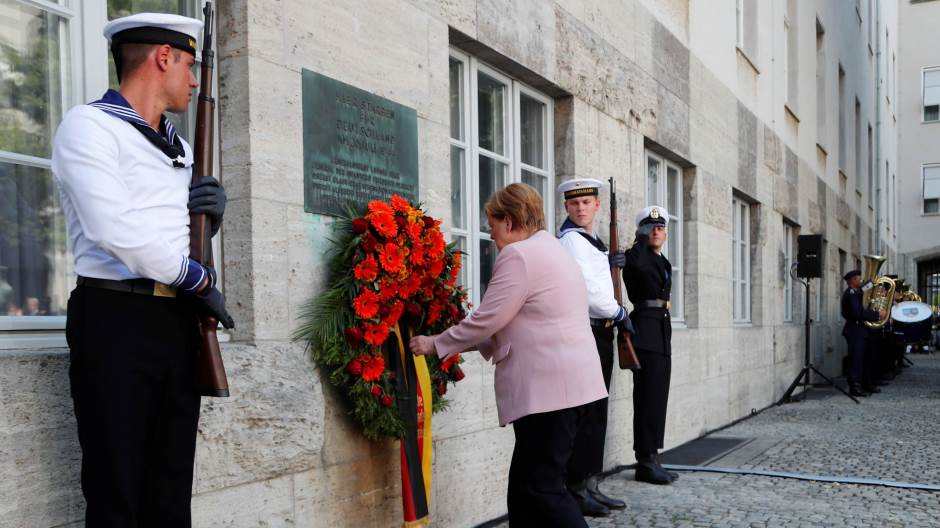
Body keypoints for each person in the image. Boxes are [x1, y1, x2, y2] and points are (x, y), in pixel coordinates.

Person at [51, 13, 234, 527]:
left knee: (171, 491)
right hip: (116, 319)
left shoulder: (176, 145)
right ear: (163, 57)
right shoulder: (89, 126)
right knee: (117, 492)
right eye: (190, 65)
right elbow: (115, 229)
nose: (195, 81)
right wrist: (196, 279)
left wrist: (207, 223)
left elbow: (172, 236)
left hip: (175, 323)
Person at [409, 183, 607, 527]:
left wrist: (434, 344)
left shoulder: (519, 256)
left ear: (511, 222)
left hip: (550, 393)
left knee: (543, 490)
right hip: (570, 389)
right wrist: (459, 341)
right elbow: (510, 322)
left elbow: (489, 319)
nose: (490, 234)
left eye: (493, 224)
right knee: (523, 491)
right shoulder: (553, 249)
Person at [555, 178, 632, 516]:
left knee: (597, 412)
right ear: (566, 207)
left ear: (597, 205)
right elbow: (586, 290)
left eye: (587, 202)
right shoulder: (571, 241)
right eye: (574, 204)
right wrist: (618, 312)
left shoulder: (592, 240)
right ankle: (574, 487)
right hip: (589, 329)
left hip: (601, 331)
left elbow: (601, 279)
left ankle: (587, 482)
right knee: (586, 413)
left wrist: (613, 261)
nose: (581, 208)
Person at [621, 205, 676, 485]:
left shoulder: (661, 260)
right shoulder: (636, 256)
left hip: (660, 334)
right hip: (645, 333)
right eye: (650, 227)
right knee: (646, 399)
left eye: (661, 228)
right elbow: (638, 268)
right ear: (641, 231)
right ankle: (644, 460)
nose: (657, 231)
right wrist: (640, 240)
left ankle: (653, 456)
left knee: (657, 398)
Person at [840, 270, 884, 397]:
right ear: (853, 280)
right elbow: (858, 313)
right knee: (856, 360)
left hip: (861, 331)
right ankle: (854, 387)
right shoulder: (851, 293)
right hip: (855, 331)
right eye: (859, 279)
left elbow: (867, 288)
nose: (861, 281)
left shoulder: (857, 292)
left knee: (864, 359)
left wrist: (875, 285)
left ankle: (865, 384)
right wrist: (877, 314)